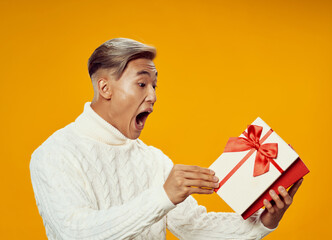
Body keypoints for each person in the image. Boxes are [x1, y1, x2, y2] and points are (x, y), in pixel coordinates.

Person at [30, 38, 303, 240]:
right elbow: (74, 233)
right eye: (142, 83)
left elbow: (194, 227)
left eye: (154, 85)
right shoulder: (54, 153)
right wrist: (162, 196)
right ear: (105, 88)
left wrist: (262, 221)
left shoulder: (153, 160)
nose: (153, 96)